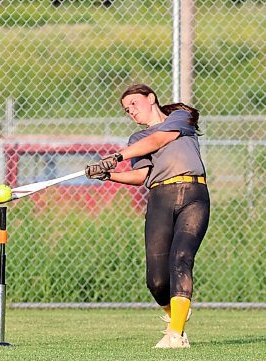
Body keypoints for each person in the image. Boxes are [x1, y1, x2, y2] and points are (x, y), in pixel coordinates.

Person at [85, 84, 210, 348]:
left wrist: (116, 156)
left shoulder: (179, 118)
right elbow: (141, 176)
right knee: (155, 280)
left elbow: (159, 140)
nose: (130, 110)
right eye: (126, 109)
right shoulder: (136, 140)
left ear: (151, 98)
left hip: (193, 195)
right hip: (159, 199)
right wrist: (108, 174)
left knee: (181, 259)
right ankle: (176, 314)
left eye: (133, 103)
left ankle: (176, 336)